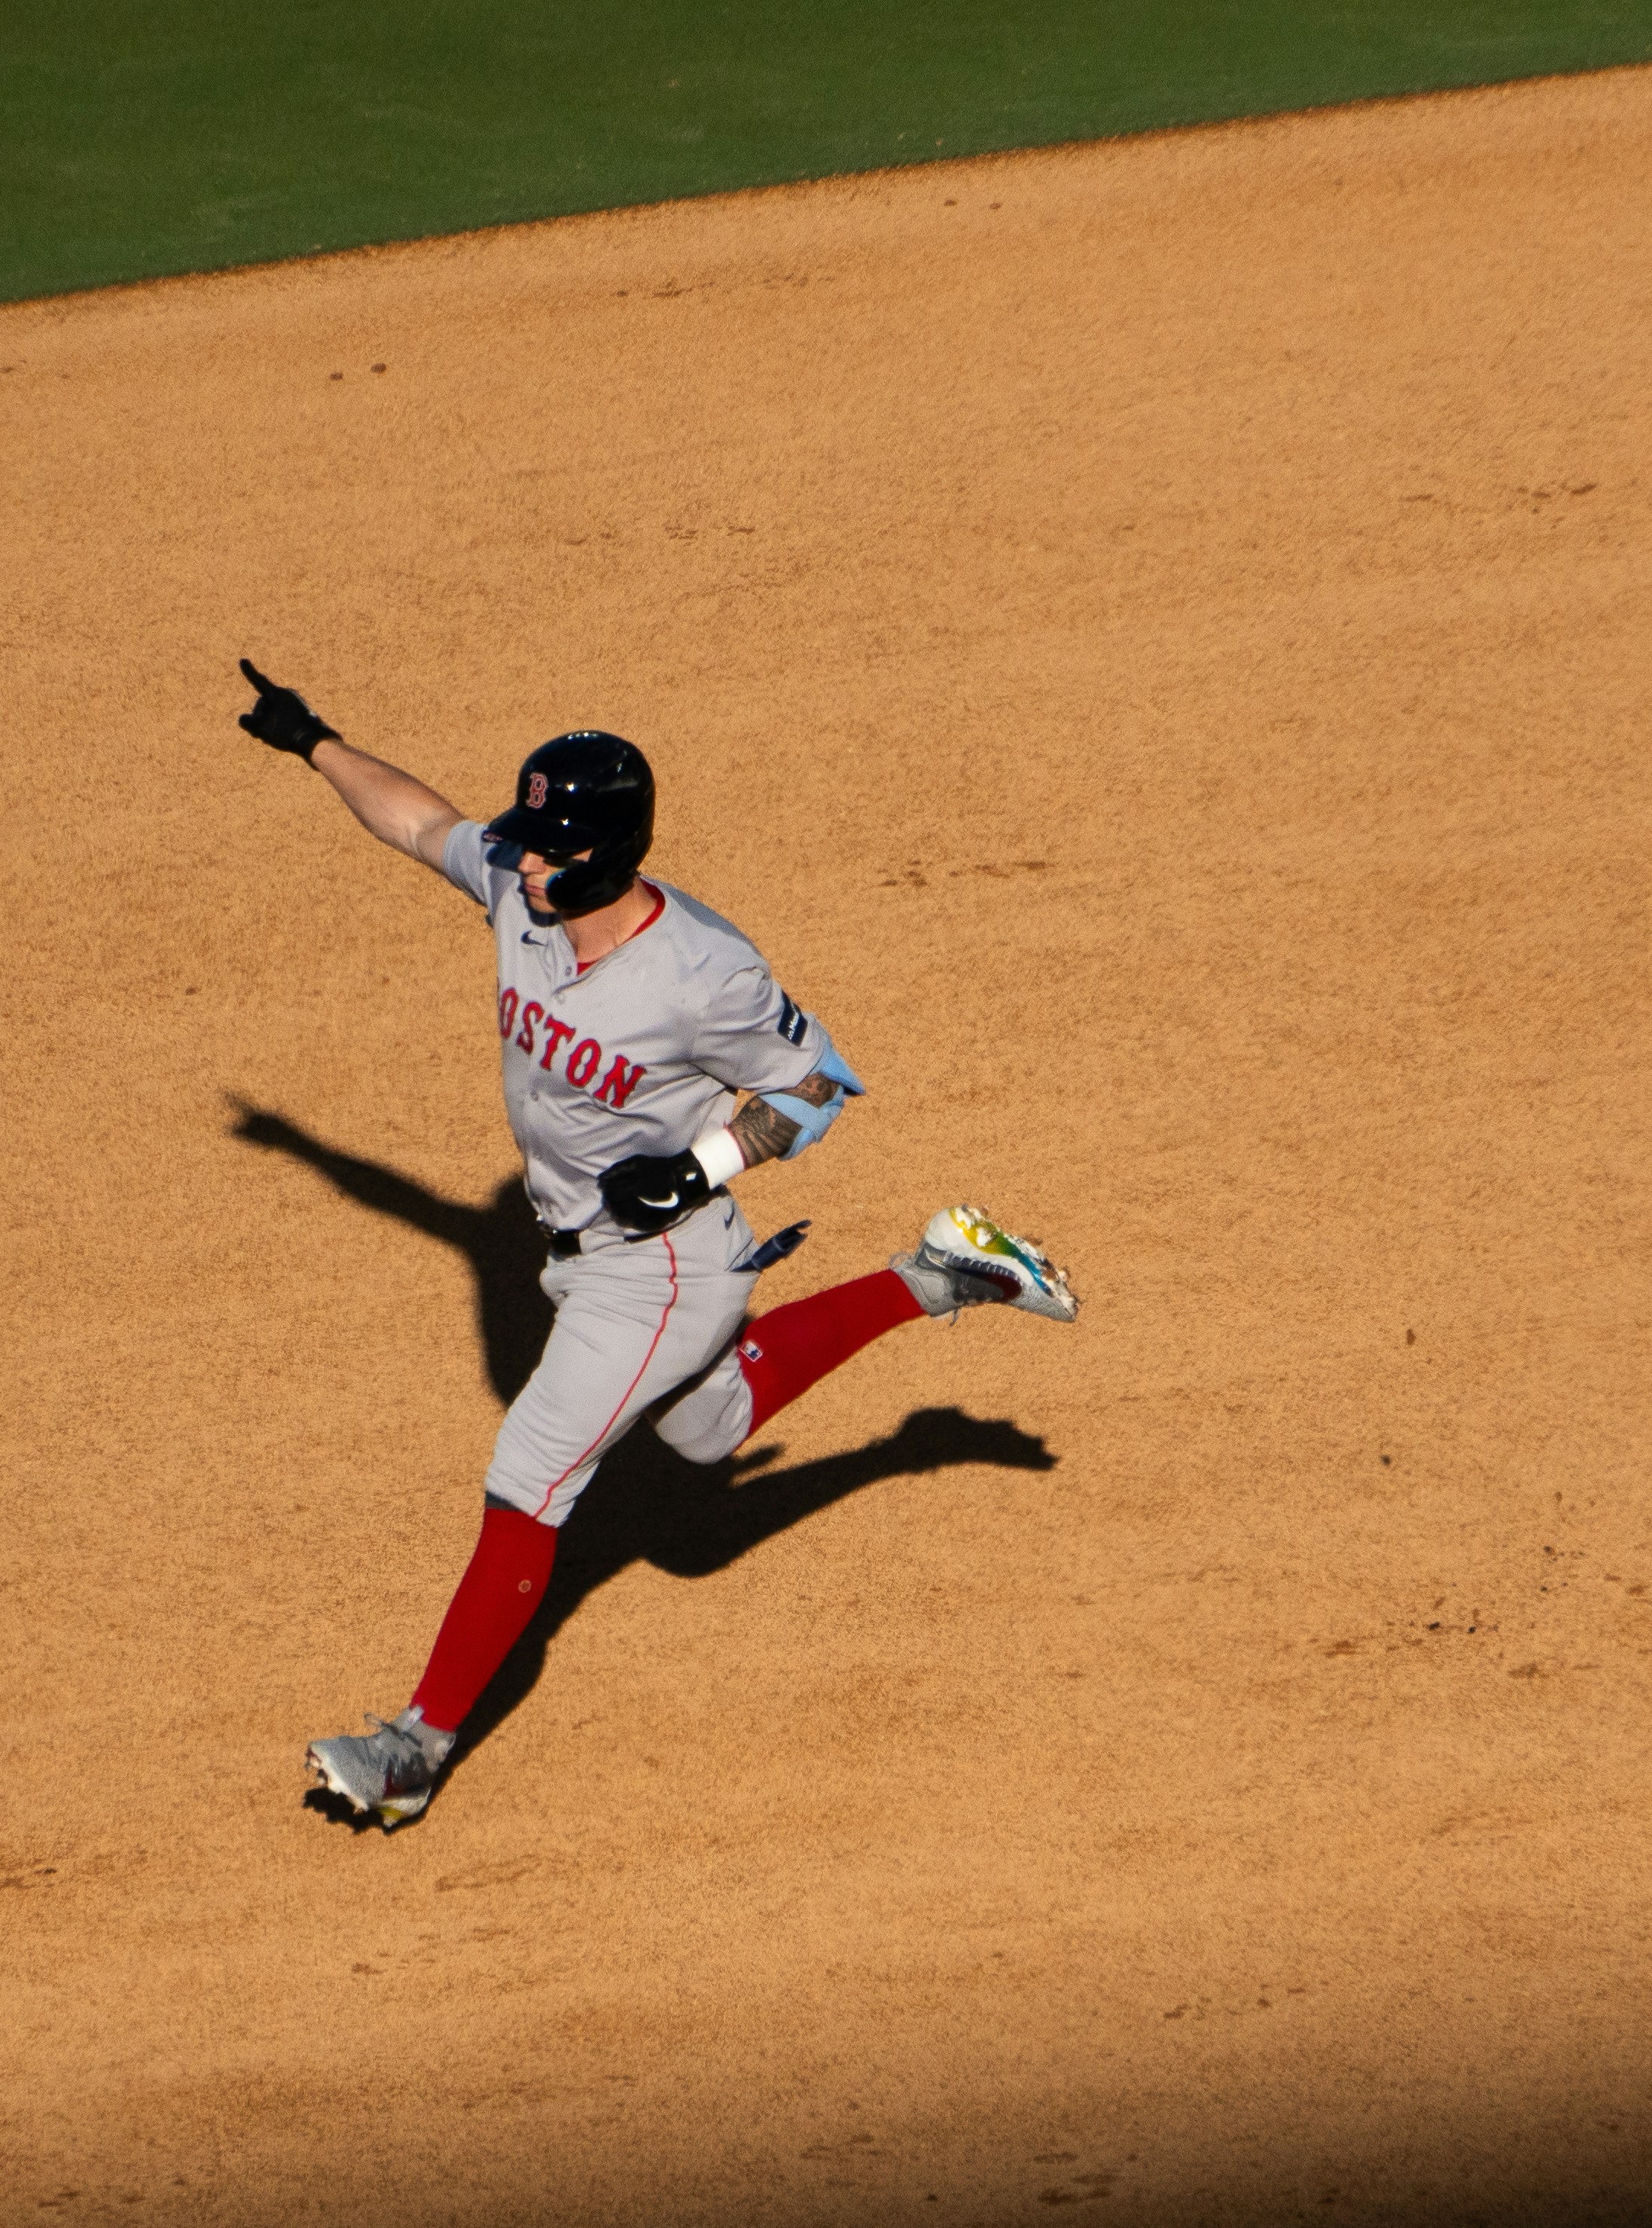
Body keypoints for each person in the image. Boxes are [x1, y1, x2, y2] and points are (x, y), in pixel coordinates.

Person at [234, 660, 1078, 1827]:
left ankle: (412, 1752)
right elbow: (421, 820)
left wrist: (704, 1165)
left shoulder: (702, 974)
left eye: (540, 844)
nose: (515, 856)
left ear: (597, 855)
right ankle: (936, 1272)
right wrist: (312, 740)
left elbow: (819, 1084)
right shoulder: (520, 894)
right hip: (583, 1253)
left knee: (530, 1476)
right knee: (708, 1426)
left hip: (661, 1267)